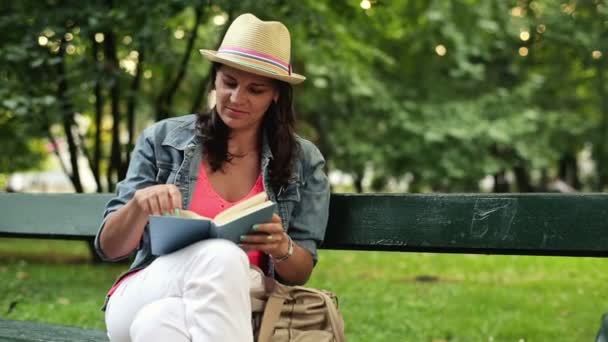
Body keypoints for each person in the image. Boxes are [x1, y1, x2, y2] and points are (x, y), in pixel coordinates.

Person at [94, 13, 330, 342]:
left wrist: (281, 247)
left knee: (157, 324)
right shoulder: (162, 139)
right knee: (222, 255)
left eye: (256, 89)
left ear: (276, 94)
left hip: (234, 302)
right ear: (215, 79)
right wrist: (138, 206)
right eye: (229, 82)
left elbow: (300, 272)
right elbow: (109, 247)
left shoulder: (303, 160)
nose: (236, 98)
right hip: (145, 290)